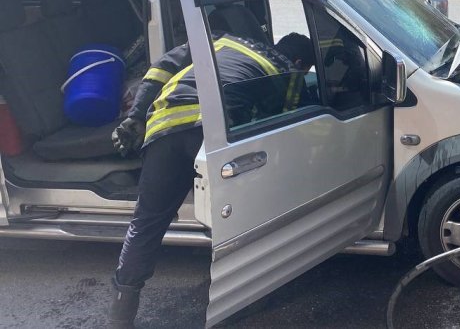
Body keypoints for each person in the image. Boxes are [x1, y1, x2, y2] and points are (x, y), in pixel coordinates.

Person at [107, 31, 314, 328]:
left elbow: (162, 66)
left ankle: (120, 312)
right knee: (241, 218)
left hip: (164, 127)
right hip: (212, 134)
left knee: (147, 222)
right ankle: (240, 298)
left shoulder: (224, 40)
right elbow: (290, 123)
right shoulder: (286, 71)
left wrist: (137, 114)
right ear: (298, 61)